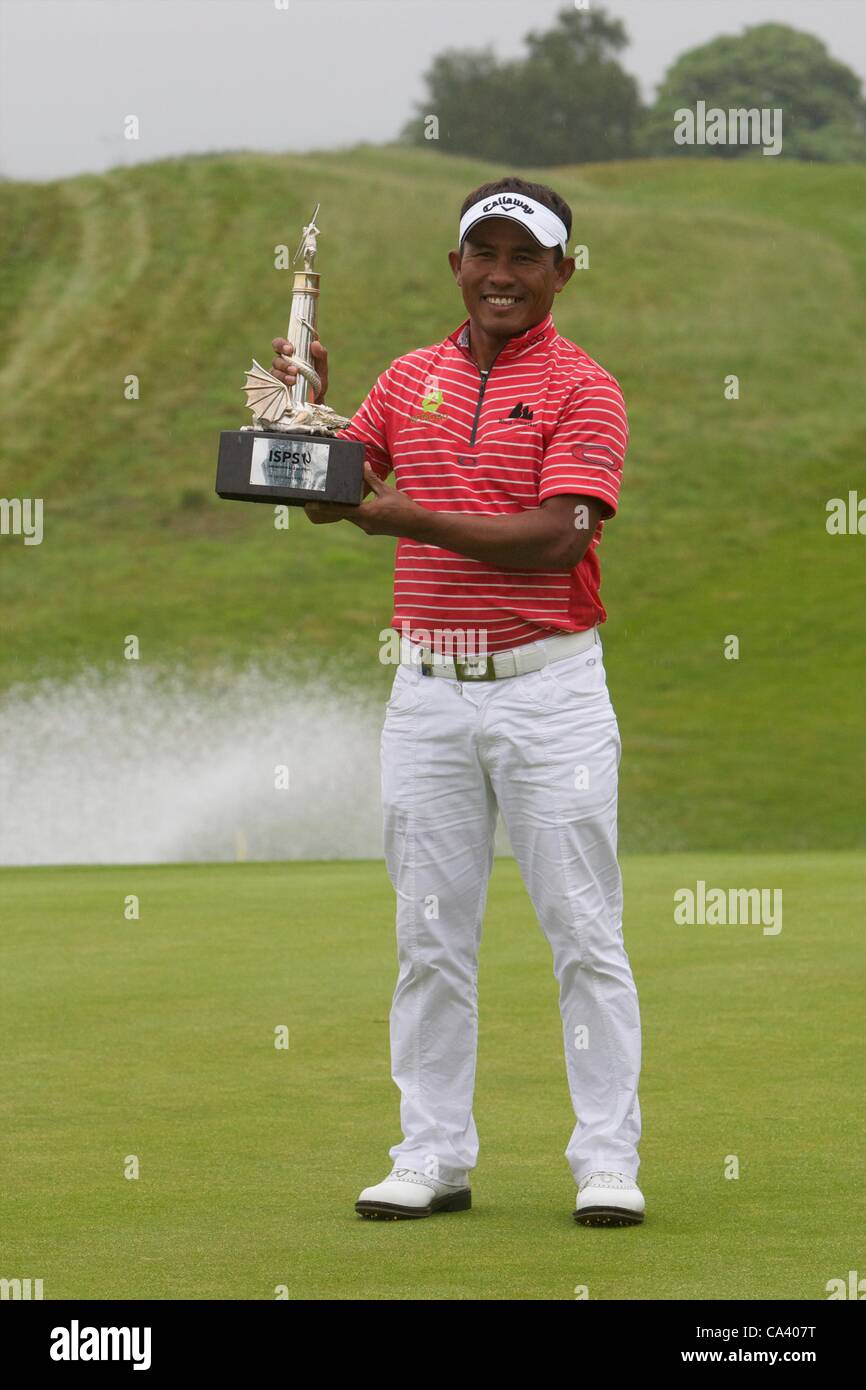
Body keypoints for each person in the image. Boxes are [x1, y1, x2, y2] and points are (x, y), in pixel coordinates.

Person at [270, 176, 644, 1228]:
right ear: (455, 266)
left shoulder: (583, 386)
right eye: (483, 253)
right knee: (428, 934)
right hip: (427, 691)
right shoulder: (407, 378)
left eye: (525, 258)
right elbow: (331, 501)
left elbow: (559, 535)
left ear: (561, 273)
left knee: (582, 933)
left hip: (548, 690)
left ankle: (605, 1158)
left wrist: (407, 520)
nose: (500, 275)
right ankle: (431, 1153)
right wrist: (310, 422)